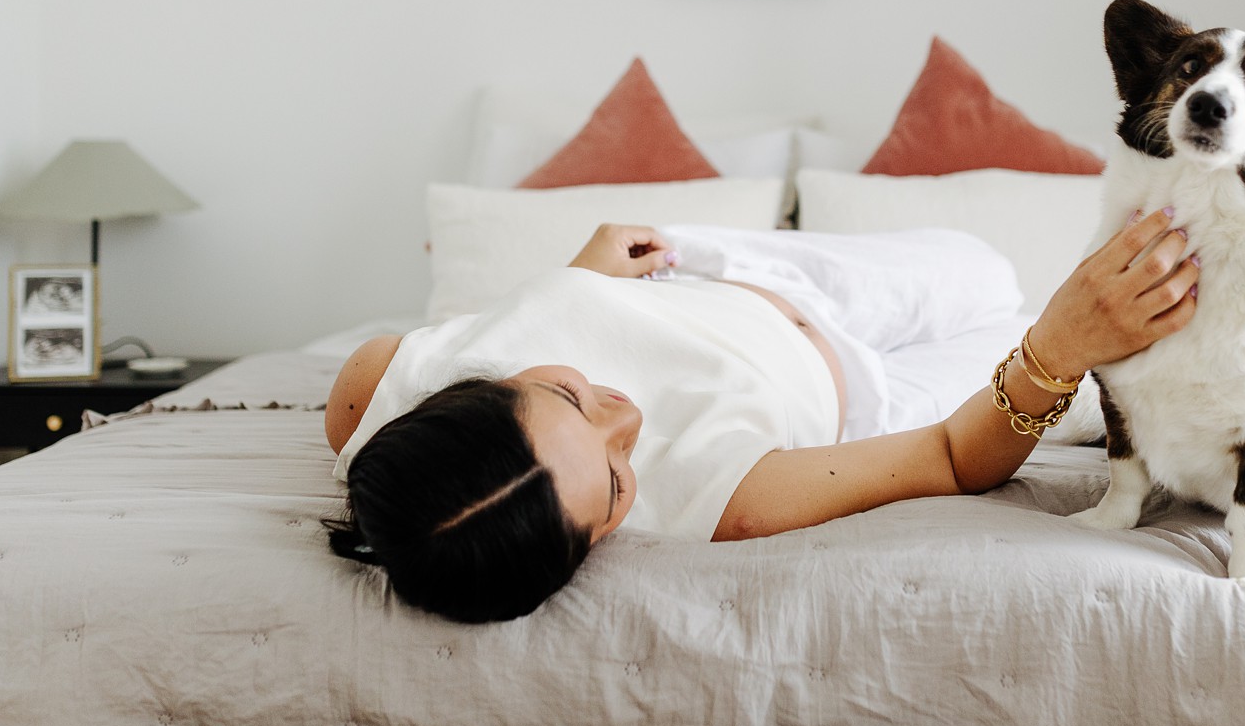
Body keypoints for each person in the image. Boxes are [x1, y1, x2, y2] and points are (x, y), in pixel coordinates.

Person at [324, 210, 1199, 623]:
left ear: (464, 393)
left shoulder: (374, 385)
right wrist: (1057, 349)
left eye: (568, 395)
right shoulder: (724, 505)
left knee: (984, 261)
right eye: (620, 481)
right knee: (1029, 313)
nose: (624, 418)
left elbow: (500, 328)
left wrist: (577, 283)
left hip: (752, 273)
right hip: (867, 390)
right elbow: (949, 455)